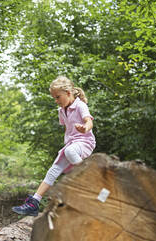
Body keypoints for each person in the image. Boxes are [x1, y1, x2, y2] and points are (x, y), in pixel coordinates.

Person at [12, 76, 96, 216]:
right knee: (54, 170)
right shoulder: (61, 111)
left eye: (58, 97)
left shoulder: (80, 105)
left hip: (85, 142)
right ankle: (34, 202)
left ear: (68, 93)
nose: (56, 101)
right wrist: (68, 139)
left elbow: (89, 121)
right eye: (54, 98)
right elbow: (67, 128)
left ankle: (89, 180)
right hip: (71, 144)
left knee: (69, 151)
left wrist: (84, 128)